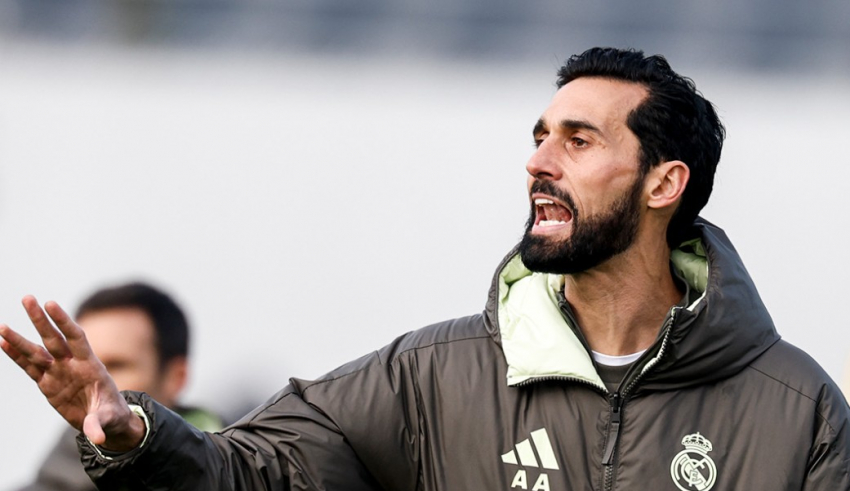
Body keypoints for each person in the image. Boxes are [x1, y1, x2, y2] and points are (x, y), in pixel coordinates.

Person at [2, 47, 848, 490]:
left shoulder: (798, 409)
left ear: (664, 184)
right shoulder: (428, 378)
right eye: (539, 137)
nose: (538, 162)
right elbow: (254, 473)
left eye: (579, 140)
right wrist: (136, 433)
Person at [13, 282, 221, 491]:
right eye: (81, 363)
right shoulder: (53, 481)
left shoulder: (233, 470)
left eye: (115, 366)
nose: (94, 380)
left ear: (176, 377)